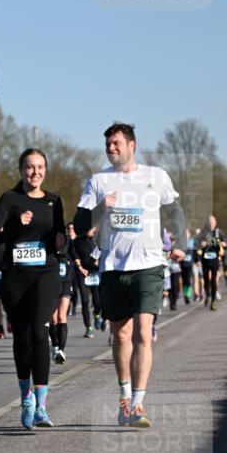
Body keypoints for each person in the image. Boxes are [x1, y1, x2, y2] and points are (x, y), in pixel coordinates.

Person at [73, 122, 186, 429]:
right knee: (121, 335)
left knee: (143, 334)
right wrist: (101, 207)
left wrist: (182, 244)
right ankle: (124, 397)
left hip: (149, 265)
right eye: (108, 144)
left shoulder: (155, 176)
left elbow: (175, 209)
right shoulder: (98, 181)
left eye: (116, 143)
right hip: (113, 268)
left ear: (132, 145)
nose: (111, 148)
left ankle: (137, 403)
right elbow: (80, 224)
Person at [0, 148, 65, 430]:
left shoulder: (54, 201)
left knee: (40, 332)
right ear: (21, 170)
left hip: (46, 273)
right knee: (23, 338)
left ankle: (42, 405)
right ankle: (26, 397)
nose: (36, 173)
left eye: (40, 167)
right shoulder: (10, 199)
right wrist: (15, 226)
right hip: (15, 277)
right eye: (30, 167)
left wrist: (63, 240)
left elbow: (60, 241)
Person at [50, 223, 75, 363]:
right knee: (52, 319)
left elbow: (77, 256)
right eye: (56, 236)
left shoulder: (69, 244)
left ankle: (61, 351)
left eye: (61, 236)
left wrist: (81, 266)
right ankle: (54, 345)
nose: (59, 239)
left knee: (61, 316)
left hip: (65, 282)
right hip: (52, 285)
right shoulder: (49, 248)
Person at [72, 225, 103, 337]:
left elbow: (102, 253)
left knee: (97, 301)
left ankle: (97, 315)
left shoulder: (97, 241)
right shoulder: (77, 241)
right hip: (82, 273)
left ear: (94, 229)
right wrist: (80, 267)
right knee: (85, 300)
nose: (89, 230)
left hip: (94, 273)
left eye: (91, 228)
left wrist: (99, 263)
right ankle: (88, 327)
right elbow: (74, 254)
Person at [193, 215, 227, 311]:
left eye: (213, 222)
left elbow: (226, 242)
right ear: (207, 223)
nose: (211, 224)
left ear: (215, 222)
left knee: (213, 280)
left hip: (215, 260)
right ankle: (207, 295)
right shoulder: (203, 232)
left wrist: (224, 244)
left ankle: (213, 301)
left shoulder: (218, 232)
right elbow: (195, 243)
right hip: (205, 260)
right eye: (209, 222)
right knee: (205, 279)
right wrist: (201, 244)